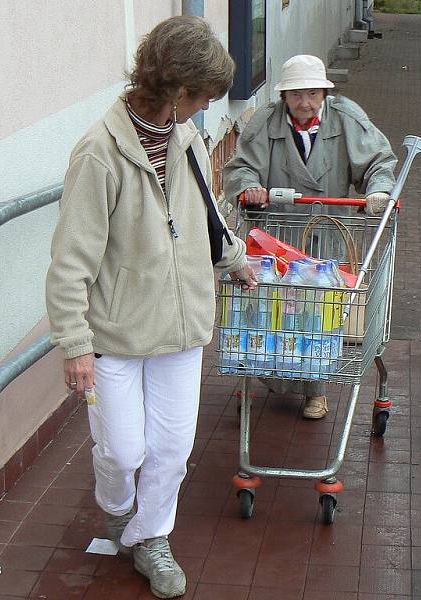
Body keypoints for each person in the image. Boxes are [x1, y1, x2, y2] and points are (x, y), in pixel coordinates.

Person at [45, 16, 256, 599]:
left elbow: (204, 220)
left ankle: (154, 538)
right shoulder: (99, 153)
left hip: (182, 325)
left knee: (170, 448)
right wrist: (74, 343)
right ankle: (117, 509)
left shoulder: (186, 137)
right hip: (115, 331)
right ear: (172, 87)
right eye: (201, 95)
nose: (205, 106)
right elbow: (70, 260)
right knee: (121, 450)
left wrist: (237, 260)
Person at [223, 54, 397, 419]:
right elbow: (240, 168)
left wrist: (378, 191)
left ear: (325, 93)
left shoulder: (347, 119)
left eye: (313, 94)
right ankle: (259, 373)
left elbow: (379, 161)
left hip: (328, 232)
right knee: (270, 311)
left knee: (318, 313)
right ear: (284, 96)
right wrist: (250, 187)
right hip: (276, 237)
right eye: (297, 94)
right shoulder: (264, 124)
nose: (305, 103)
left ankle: (315, 389)